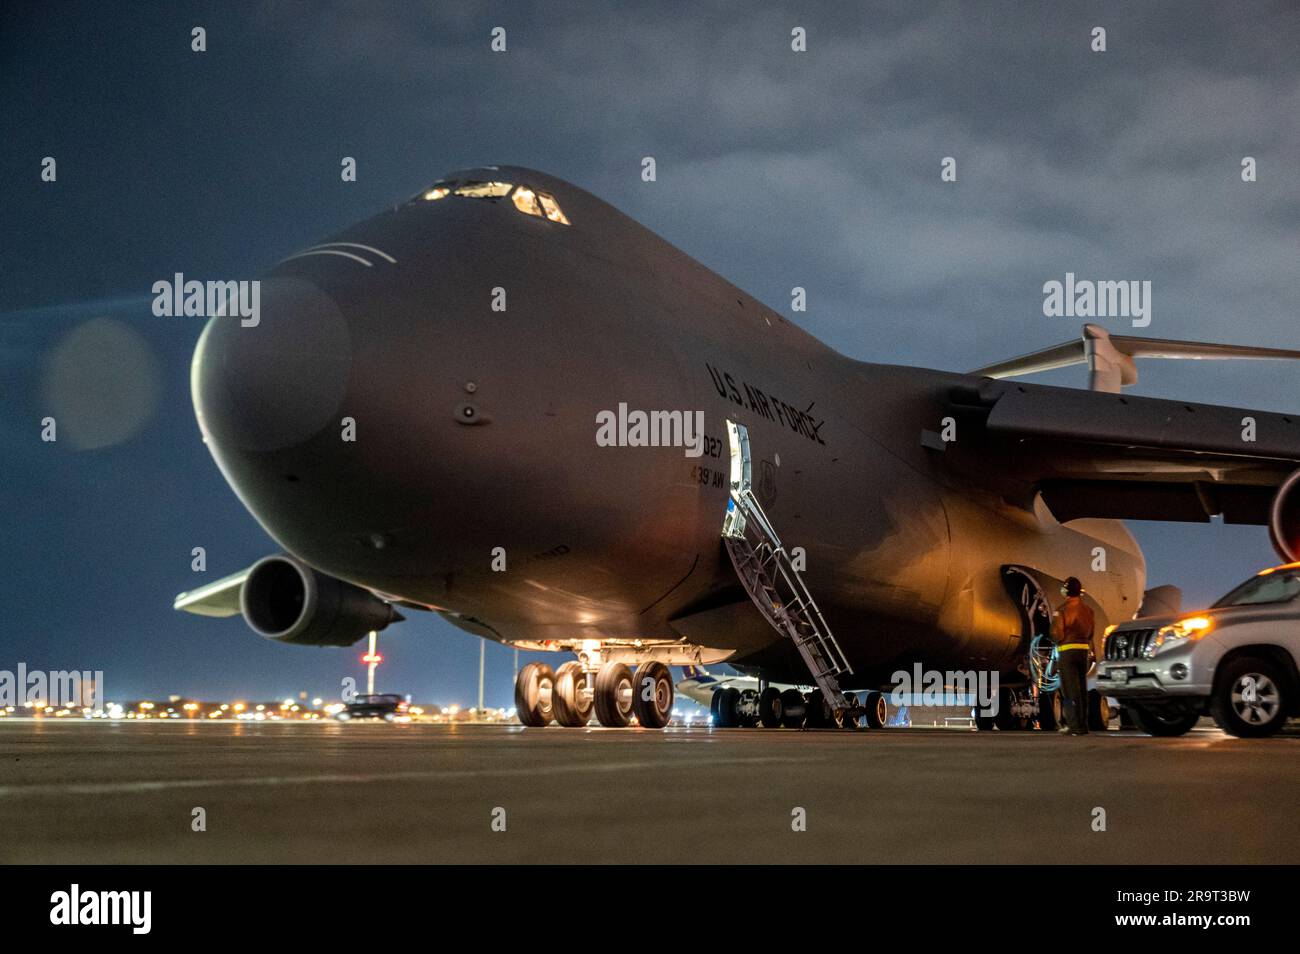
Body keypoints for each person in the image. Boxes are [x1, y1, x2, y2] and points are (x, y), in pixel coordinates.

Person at [1051, 576, 1094, 735]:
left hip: (1067, 652)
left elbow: (1056, 633)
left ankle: (1073, 726)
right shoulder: (1089, 611)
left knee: (1069, 690)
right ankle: (1083, 725)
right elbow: (1091, 633)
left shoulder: (1061, 610)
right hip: (1082, 652)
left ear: (1066, 591)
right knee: (1082, 689)